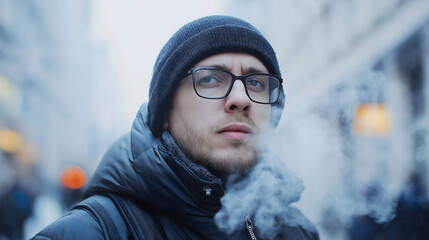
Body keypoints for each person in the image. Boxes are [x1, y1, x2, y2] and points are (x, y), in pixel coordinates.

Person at [31, 15, 319, 240]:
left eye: (256, 83)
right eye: (210, 79)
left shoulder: (298, 232)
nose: (241, 99)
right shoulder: (89, 233)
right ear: (165, 112)